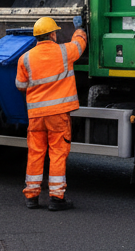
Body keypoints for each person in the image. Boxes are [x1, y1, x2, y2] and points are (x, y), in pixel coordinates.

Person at [17, 15, 88, 211]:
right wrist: (80, 29)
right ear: (53, 34)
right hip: (58, 114)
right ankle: (56, 197)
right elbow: (80, 44)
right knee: (57, 152)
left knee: (35, 152)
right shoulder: (64, 52)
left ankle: (31, 196)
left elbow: (20, 85)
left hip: (36, 115)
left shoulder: (25, 58)